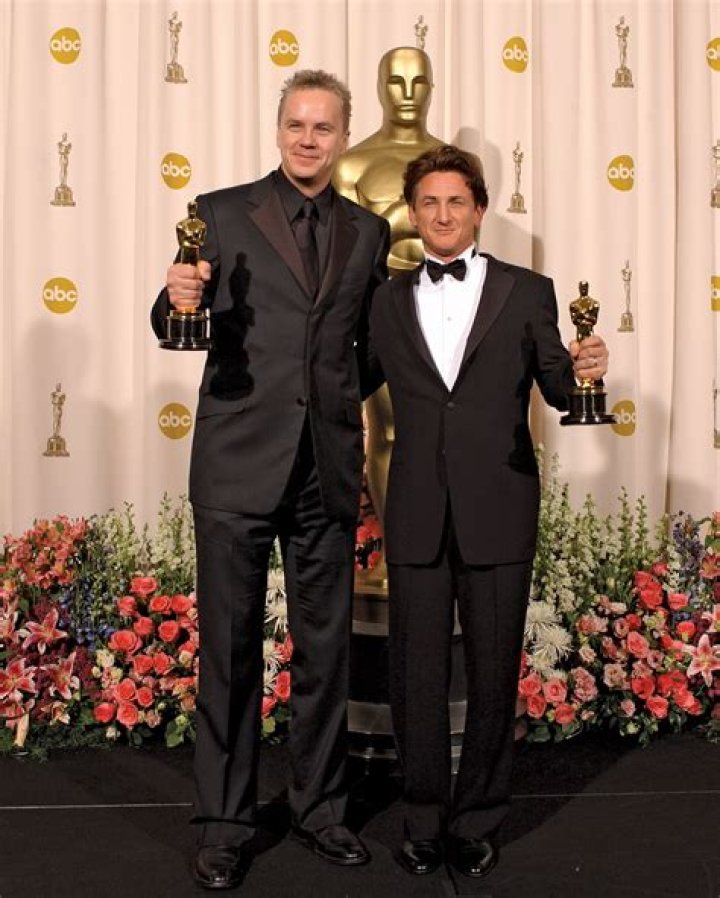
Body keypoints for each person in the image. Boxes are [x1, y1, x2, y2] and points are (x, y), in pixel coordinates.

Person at [151, 69, 389, 891]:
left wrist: (328, 405)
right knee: (229, 651)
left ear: (344, 136)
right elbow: (177, 315)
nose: (308, 139)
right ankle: (224, 824)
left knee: (325, 653)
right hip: (236, 466)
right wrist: (175, 296)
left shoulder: (367, 232)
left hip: (325, 466)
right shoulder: (219, 214)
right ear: (278, 128)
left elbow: (368, 350)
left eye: (324, 127)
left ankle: (321, 809)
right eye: (296, 124)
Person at [368, 144, 609, 879]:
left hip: (500, 505)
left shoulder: (528, 291)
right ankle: (421, 818)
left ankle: (477, 819)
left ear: (479, 209)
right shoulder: (383, 300)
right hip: (414, 507)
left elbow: (559, 388)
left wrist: (586, 371)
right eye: (429, 202)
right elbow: (341, 379)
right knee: (415, 673)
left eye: (456, 202)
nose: (442, 214)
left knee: (494, 670)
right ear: (414, 213)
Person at [334, 45, 443, 586]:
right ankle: (396, 558)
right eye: (395, 82)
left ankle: (434, 556)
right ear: (378, 88)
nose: (406, 94)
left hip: (446, 318)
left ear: (432, 88)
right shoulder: (351, 165)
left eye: (417, 82)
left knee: (443, 437)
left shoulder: (452, 163)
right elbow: (344, 255)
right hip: (380, 318)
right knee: (389, 434)